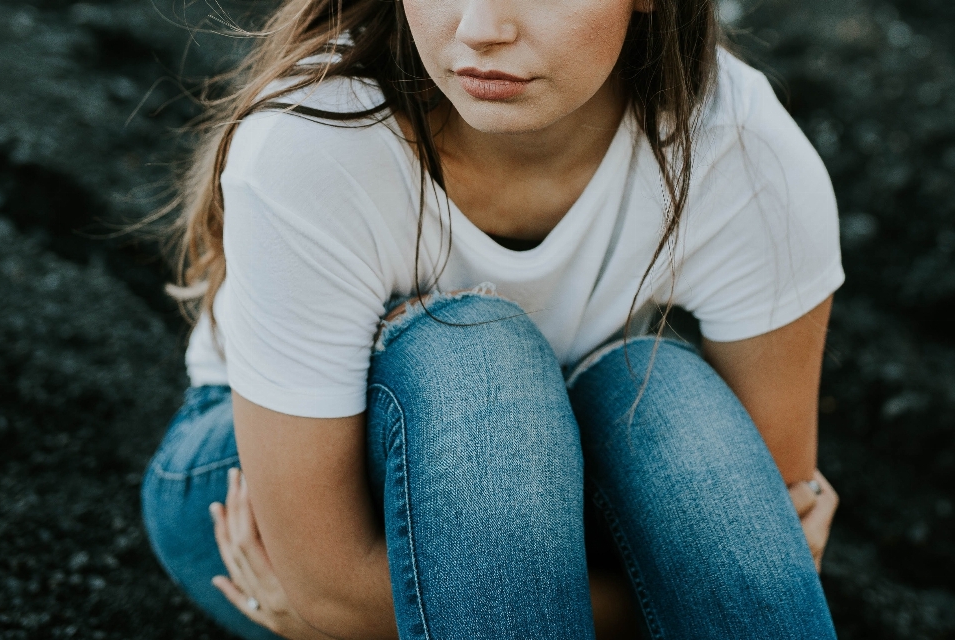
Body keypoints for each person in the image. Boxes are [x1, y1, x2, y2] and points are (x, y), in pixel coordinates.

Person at [141, 0, 844, 636]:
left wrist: (739, 573)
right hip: (268, 500)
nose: (480, 29)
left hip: (551, 476)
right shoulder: (315, 140)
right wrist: (678, 600)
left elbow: (776, 514)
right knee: (478, 355)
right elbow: (330, 589)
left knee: (664, 391)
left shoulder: (742, 149)